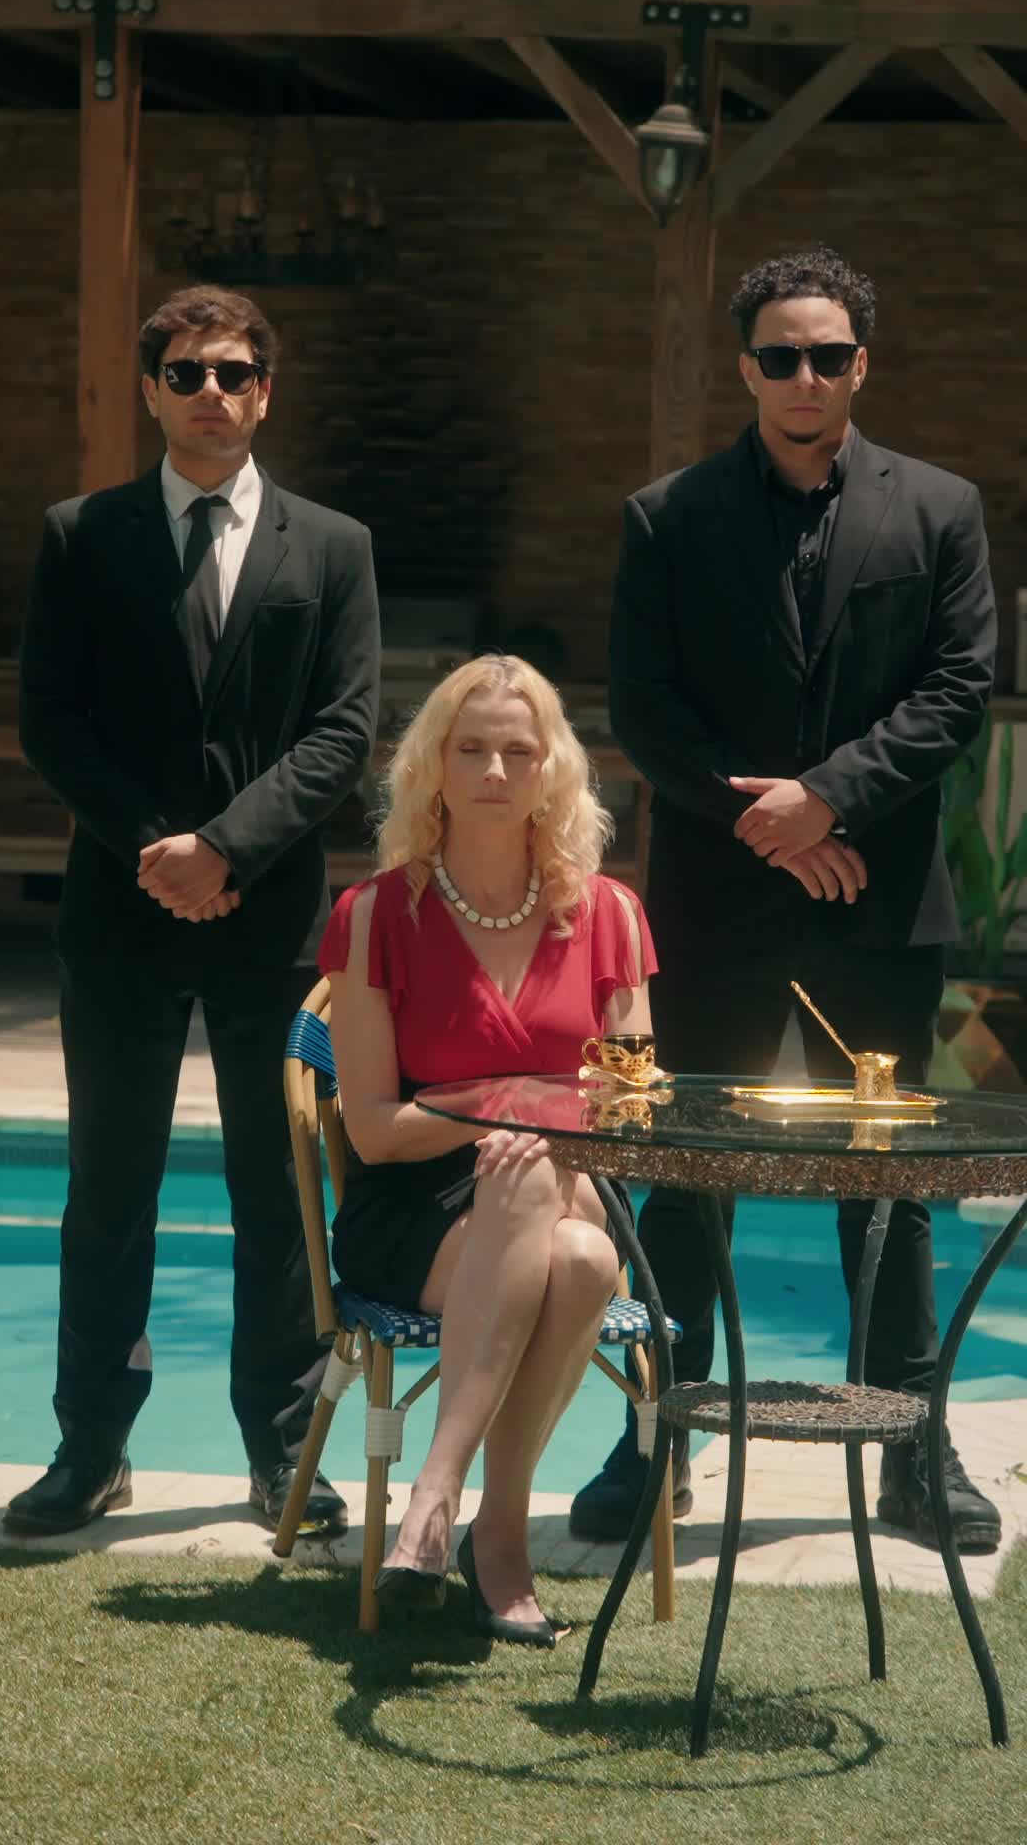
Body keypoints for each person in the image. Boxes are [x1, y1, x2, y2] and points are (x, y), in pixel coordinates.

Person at [571, 244, 1002, 1554]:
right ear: (747, 368)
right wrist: (771, 825)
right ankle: (652, 1441)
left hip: (881, 900)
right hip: (718, 901)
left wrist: (829, 799)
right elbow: (646, 708)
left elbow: (958, 688)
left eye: (826, 354)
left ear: (862, 365)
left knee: (892, 1184)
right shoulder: (668, 516)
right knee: (684, 1176)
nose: (803, 375)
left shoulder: (942, 510)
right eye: (780, 355)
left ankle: (913, 1451)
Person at [6, 285, 380, 1538]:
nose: (210, 393)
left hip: (271, 920)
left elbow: (344, 730)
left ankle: (283, 1454)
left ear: (265, 392)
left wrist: (226, 849)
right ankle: (90, 1449)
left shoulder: (334, 546)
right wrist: (156, 849)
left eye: (232, 373)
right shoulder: (82, 534)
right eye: (185, 374)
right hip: (120, 914)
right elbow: (50, 717)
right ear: (152, 393)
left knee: (280, 1193)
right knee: (110, 1189)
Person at [320, 653, 657, 1644]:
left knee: (550, 1196)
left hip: (573, 1179)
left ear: (554, 770)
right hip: (413, 1209)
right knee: (579, 1260)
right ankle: (495, 1538)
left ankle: (437, 1495)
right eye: (471, 749)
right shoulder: (374, 915)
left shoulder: (610, 916)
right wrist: (502, 1109)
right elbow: (374, 1132)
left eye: (519, 750)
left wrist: (536, 1128)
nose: (496, 771)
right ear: (433, 764)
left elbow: (629, 1113)